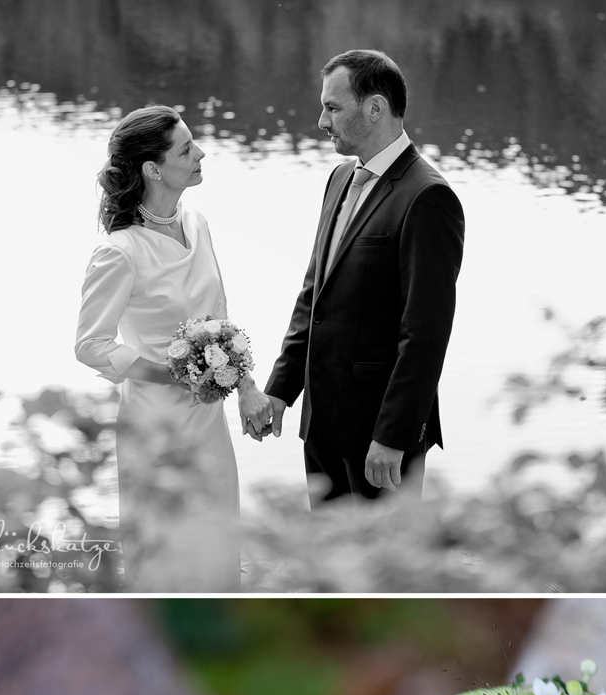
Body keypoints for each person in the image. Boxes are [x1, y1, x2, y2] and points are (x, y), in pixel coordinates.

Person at [251, 49, 465, 504]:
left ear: (375, 108)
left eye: (332, 107)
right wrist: (280, 392)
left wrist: (393, 437)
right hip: (322, 427)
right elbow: (316, 295)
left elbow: (425, 334)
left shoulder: (428, 197)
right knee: (326, 566)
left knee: (385, 570)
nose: (322, 121)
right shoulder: (339, 178)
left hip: (379, 440)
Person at [75, 105, 271, 591]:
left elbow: (222, 313)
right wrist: (174, 373)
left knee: (218, 536)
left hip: (209, 419)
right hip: (156, 426)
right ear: (152, 169)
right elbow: (90, 344)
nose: (201, 152)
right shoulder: (119, 252)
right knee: (167, 546)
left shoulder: (198, 223)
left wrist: (246, 386)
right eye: (186, 148)